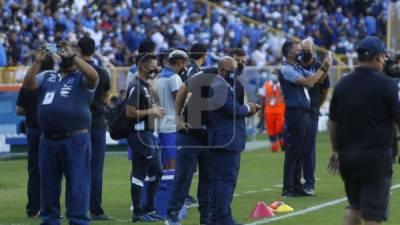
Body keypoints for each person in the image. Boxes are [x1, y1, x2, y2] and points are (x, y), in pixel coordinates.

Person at [22, 41, 99, 225]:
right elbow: (28, 84)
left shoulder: (82, 77)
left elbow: (94, 76)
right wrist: (37, 62)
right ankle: (49, 221)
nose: (63, 53)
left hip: (75, 138)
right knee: (48, 187)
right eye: (62, 51)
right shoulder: (48, 75)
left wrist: (73, 56)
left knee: (77, 187)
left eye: (68, 50)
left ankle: (78, 221)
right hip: (48, 140)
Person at [328, 36, 400, 225]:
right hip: (376, 158)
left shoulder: (342, 85)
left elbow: (333, 123)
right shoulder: (387, 84)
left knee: (354, 206)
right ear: (377, 57)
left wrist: (336, 150)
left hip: (348, 158)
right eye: (383, 57)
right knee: (372, 215)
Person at [208, 56, 261, 225]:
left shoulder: (222, 84)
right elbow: (232, 110)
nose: (234, 72)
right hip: (226, 141)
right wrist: (248, 108)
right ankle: (222, 218)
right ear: (221, 70)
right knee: (225, 181)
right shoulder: (219, 86)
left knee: (223, 181)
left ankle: (220, 217)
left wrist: (246, 109)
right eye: (232, 69)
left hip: (226, 140)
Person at [279, 40, 332, 197]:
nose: (301, 52)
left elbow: (319, 80)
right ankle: (287, 187)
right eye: (298, 50)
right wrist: (323, 67)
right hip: (295, 112)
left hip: (304, 112)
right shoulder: (286, 69)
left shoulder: (298, 67)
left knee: (301, 151)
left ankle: (296, 185)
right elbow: (310, 82)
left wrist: (326, 67)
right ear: (289, 52)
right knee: (293, 151)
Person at [166, 47, 211, 225]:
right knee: (185, 175)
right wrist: (178, 117)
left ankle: (205, 217)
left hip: (201, 131)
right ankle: (172, 214)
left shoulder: (195, 71)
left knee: (203, 177)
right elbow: (184, 93)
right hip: (190, 130)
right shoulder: (193, 71)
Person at [125, 52, 165, 222]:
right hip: (139, 134)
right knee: (139, 173)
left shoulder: (146, 85)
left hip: (148, 134)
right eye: (153, 66)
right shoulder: (136, 85)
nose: (156, 68)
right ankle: (138, 212)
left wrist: (155, 112)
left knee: (157, 170)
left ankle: (149, 208)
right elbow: (129, 112)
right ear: (143, 66)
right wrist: (152, 111)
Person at [77, 36, 111, 220]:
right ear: (94, 49)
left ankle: (75, 208)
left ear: (78, 50)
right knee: (96, 170)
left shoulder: (74, 71)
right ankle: (95, 210)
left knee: (76, 169)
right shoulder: (102, 72)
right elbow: (106, 98)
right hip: (97, 124)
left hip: (77, 126)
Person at [16, 54, 54, 218]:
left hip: (32, 130)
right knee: (53, 171)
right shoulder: (56, 82)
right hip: (50, 131)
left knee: (34, 171)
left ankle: (33, 208)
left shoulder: (28, 82)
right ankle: (50, 207)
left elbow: (19, 110)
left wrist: (32, 112)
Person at [300, 38, 330, 195]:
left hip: (311, 112)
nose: (305, 53)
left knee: (309, 148)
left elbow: (325, 90)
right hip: (298, 112)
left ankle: (309, 183)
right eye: (303, 50)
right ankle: (295, 182)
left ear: (313, 51)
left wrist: (316, 106)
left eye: (308, 50)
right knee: (296, 148)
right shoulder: (296, 64)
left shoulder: (318, 66)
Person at [156, 50, 187, 170]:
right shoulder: (174, 77)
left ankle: (163, 188)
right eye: (184, 64)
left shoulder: (159, 76)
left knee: (165, 164)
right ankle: (170, 189)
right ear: (179, 63)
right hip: (170, 126)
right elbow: (178, 100)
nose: (184, 67)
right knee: (172, 163)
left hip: (160, 124)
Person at [260, 74, 285, 152]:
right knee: (271, 129)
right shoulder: (266, 84)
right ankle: (274, 146)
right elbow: (262, 98)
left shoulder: (282, 84)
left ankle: (282, 144)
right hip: (269, 111)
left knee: (280, 128)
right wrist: (261, 109)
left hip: (280, 110)